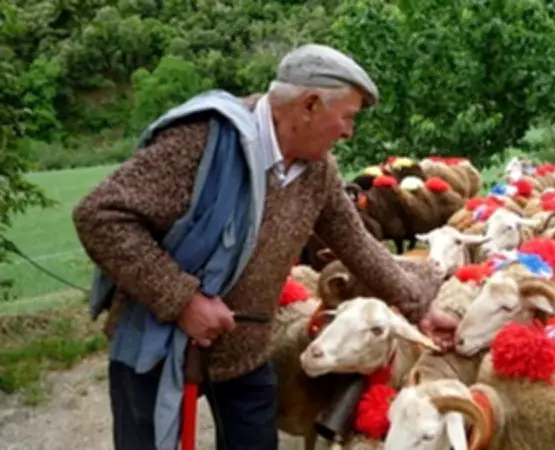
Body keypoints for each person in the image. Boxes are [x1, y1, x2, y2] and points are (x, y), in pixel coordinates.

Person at [72, 43, 458, 450]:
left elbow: (358, 245)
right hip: (158, 343)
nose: (349, 132)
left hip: (245, 350)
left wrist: (421, 308)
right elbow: (99, 216)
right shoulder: (203, 141)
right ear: (309, 105)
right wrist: (183, 300)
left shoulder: (317, 171)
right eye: (347, 117)